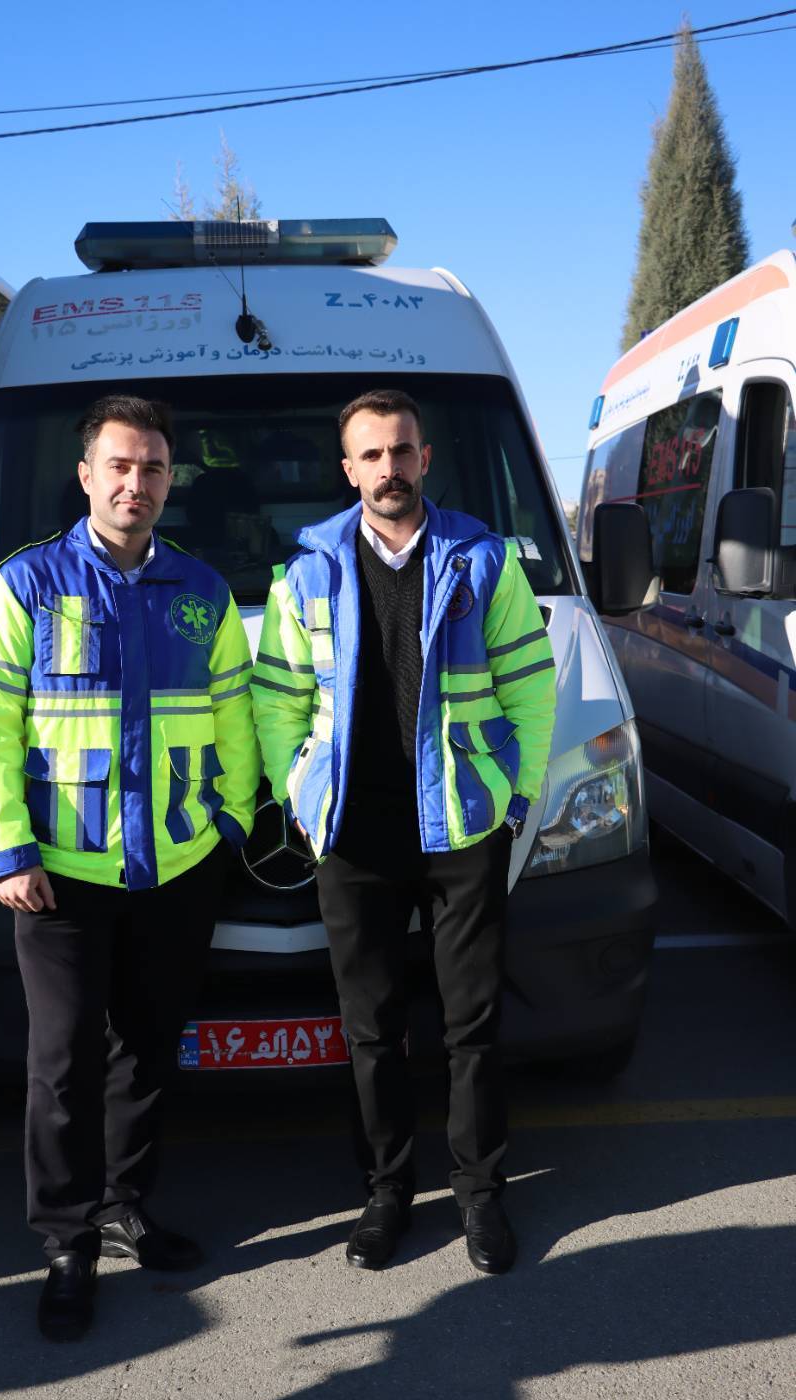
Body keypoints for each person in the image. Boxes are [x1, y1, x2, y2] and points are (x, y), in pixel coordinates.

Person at [0, 393, 259, 1338]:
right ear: (86, 475)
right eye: (120, 466)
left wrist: (229, 824)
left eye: (154, 468)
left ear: (171, 480)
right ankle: (66, 1240)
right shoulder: (24, 586)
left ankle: (127, 1206)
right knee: (61, 1061)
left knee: (147, 1051)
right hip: (59, 875)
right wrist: (7, 848)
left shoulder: (202, 592)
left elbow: (235, 717)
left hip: (176, 868)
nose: (137, 483)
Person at [252, 389, 556, 1275]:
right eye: (372, 455)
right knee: (372, 1028)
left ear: (426, 459)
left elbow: (531, 686)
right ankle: (385, 1193)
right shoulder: (305, 573)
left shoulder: (483, 561)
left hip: (461, 825)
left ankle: (480, 1195)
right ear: (349, 470)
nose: (390, 468)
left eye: (402, 450)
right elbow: (278, 700)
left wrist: (514, 800)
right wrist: (301, 795)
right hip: (354, 836)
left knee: (472, 1024)